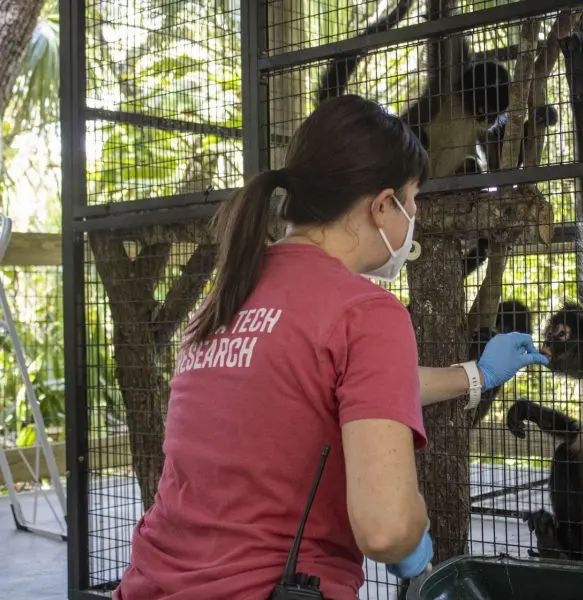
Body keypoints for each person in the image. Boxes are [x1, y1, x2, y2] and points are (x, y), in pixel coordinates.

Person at [113, 94, 548, 600]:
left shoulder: (227, 295)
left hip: (150, 584)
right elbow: (384, 530)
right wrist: (414, 539)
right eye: (412, 201)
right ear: (382, 205)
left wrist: (476, 375)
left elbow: (331, 387)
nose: (414, 218)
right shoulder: (366, 311)